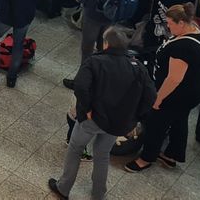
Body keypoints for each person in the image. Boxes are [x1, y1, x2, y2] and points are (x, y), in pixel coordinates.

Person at [48, 26, 155, 200]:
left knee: (75, 148)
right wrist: (136, 118)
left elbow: (81, 87)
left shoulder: (95, 61)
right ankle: (98, 194)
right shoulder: (137, 67)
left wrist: (88, 109)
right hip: (117, 123)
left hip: (93, 119)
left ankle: (63, 188)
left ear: (106, 44)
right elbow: (151, 96)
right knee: (102, 155)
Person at [124, 3, 200, 173]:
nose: (167, 26)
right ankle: (172, 155)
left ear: (182, 23)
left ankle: (146, 157)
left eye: (170, 23)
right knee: (179, 119)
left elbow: (174, 79)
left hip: (179, 93)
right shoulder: (194, 29)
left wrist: (158, 98)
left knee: (157, 121)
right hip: (194, 88)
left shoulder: (185, 47)